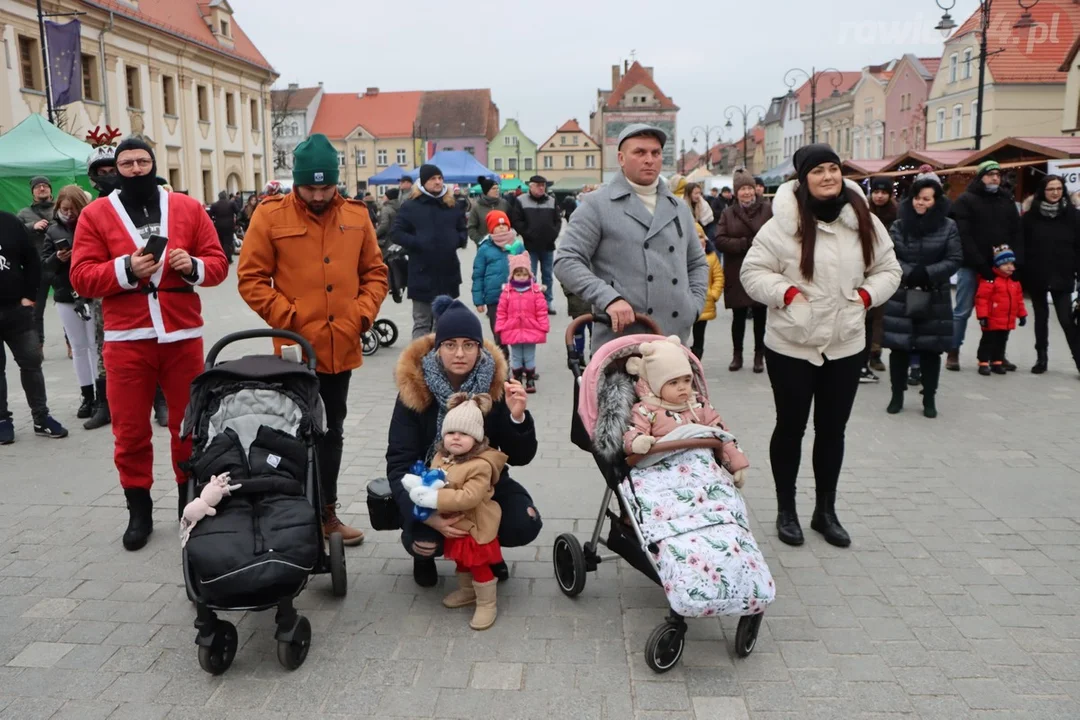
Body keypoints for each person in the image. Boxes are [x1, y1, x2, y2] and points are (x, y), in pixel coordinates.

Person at [70, 136, 229, 550]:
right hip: (126, 339)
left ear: (154, 164)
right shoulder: (95, 214)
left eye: (143, 161)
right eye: (128, 162)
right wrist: (126, 268)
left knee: (188, 425)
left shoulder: (189, 208)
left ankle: (187, 502)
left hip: (182, 336)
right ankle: (138, 510)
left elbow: (218, 264)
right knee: (130, 429)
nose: (136, 168)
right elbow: (81, 276)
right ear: (115, 169)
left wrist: (191, 265)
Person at [740, 143, 901, 548]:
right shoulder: (782, 224)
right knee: (791, 428)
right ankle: (786, 509)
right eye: (818, 171)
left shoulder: (862, 219)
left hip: (845, 343)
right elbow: (753, 271)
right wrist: (787, 294)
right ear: (802, 178)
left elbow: (888, 268)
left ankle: (825, 511)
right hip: (792, 344)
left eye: (833, 168)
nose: (828, 176)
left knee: (832, 430)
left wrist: (865, 297)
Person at [238, 133, 389, 547]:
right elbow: (251, 279)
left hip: (341, 347)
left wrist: (361, 314)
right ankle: (286, 513)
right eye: (311, 187)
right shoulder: (270, 216)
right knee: (288, 431)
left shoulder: (357, 215)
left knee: (331, 430)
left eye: (327, 187)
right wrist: (289, 319)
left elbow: (375, 273)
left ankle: (326, 514)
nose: (320, 195)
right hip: (292, 351)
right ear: (296, 183)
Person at [386, 297, 542, 588]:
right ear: (438, 348)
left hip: (480, 482)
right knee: (424, 541)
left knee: (524, 523)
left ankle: (487, 552)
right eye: (450, 344)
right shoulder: (414, 390)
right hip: (429, 482)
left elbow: (519, 456)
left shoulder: (493, 386)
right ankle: (424, 556)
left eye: (469, 345)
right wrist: (427, 515)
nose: (460, 353)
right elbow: (398, 463)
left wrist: (517, 417)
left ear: (479, 348)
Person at [555, 124, 708, 348]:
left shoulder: (678, 208)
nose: (650, 159)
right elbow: (566, 261)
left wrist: (693, 306)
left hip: (674, 336)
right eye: (640, 152)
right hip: (622, 339)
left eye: (656, 153)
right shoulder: (597, 205)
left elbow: (697, 263)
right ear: (621, 158)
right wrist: (608, 298)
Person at [402, 392, 506, 630]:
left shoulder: (480, 465)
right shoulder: (441, 456)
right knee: (461, 562)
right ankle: (467, 591)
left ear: (477, 439)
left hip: (476, 526)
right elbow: (432, 478)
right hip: (456, 526)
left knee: (478, 564)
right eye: (450, 433)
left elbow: (469, 497)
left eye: (464, 434)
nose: (456, 438)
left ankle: (487, 602)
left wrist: (435, 498)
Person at [881, 172, 962, 418]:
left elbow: (955, 259)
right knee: (899, 348)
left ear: (936, 201)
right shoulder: (899, 224)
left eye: (927, 199)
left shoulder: (948, 226)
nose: (921, 203)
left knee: (930, 349)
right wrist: (909, 272)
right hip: (902, 294)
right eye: (917, 197)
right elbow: (889, 256)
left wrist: (927, 273)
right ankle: (896, 395)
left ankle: (929, 398)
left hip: (934, 294)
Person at [622, 335, 748, 484]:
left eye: (687, 380)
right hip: (661, 469)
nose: (682, 387)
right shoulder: (645, 410)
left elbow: (722, 434)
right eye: (673, 382)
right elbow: (633, 431)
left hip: (702, 467)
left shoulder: (700, 404)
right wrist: (638, 441)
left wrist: (737, 464)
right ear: (655, 385)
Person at [0, 210, 68, 444]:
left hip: (15, 311)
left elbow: (31, 260)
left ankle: (41, 417)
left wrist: (30, 296)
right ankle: (2, 421)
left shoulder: (9, 222)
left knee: (31, 363)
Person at [947, 160, 1022, 372]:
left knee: (1001, 312)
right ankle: (953, 351)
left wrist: (1014, 262)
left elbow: (1016, 231)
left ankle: (997, 354)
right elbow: (964, 235)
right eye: (990, 175)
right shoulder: (966, 200)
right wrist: (980, 263)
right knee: (962, 310)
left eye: (998, 174)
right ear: (980, 177)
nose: (995, 178)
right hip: (972, 265)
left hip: (1001, 267)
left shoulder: (1006, 200)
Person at [43, 185, 101, 420]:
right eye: (65, 209)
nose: (69, 213)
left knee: (95, 345)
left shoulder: (91, 225)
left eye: (73, 209)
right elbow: (44, 266)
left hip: (91, 293)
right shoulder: (52, 231)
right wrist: (57, 258)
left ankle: (101, 395)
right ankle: (87, 395)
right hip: (66, 295)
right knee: (78, 347)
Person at [393, 164, 468, 339]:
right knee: (422, 322)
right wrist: (418, 242)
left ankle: (441, 363)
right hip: (421, 272)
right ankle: (418, 363)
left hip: (447, 271)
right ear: (423, 182)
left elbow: (462, 229)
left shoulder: (452, 205)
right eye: (433, 179)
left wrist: (456, 240)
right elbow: (396, 233)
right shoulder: (410, 206)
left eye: (440, 178)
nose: (438, 182)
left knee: (445, 322)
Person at [1020, 175, 1080, 375]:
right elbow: (1024, 247)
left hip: (1063, 274)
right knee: (1041, 318)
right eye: (1050, 189)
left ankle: (1078, 360)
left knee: (1066, 319)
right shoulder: (1030, 217)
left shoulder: (1073, 216)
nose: (1055, 192)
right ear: (1042, 192)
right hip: (1037, 274)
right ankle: (1041, 358)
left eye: (1058, 188)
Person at [715, 168, 773, 372]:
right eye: (742, 189)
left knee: (760, 315)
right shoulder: (728, 213)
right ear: (736, 192)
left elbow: (776, 233)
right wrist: (743, 243)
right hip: (737, 269)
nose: (747, 192)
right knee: (738, 317)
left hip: (761, 268)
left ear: (755, 190)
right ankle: (737, 354)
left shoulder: (767, 209)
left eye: (749, 188)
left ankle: (759, 356)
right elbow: (720, 239)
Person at [82, 138, 122, 431]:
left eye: (112, 169)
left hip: (142, 290)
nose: (107, 175)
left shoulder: (137, 206)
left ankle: (158, 399)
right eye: (102, 171)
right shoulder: (92, 212)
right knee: (102, 346)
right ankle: (103, 404)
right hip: (104, 292)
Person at [495, 250, 550, 393]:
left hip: (531, 328)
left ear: (530, 275)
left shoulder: (535, 292)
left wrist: (543, 326)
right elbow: (501, 312)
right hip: (512, 329)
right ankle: (517, 379)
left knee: (529, 355)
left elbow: (541, 311)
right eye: (518, 274)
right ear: (512, 275)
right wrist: (500, 326)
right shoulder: (507, 292)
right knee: (516, 356)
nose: (521, 277)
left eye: (524, 274)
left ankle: (530, 379)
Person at [864, 177, 898, 380]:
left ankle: (875, 354)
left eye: (883, 192)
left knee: (880, 316)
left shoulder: (896, 213)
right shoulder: (862, 211)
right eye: (876, 192)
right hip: (863, 267)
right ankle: (861, 353)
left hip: (884, 268)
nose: (879, 196)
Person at [513, 175, 561, 314]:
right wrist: (528, 233)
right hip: (530, 246)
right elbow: (516, 220)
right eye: (538, 185)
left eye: (543, 185)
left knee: (547, 275)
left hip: (548, 245)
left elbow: (558, 220)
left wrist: (553, 234)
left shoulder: (551, 200)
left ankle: (547, 302)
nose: (541, 188)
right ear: (531, 186)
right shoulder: (521, 200)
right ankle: (531, 302)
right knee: (530, 274)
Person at [975, 245, 1026, 376]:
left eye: (1011, 264)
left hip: (1007, 319)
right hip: (992, 318)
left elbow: (1019, 300)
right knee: (988, 340)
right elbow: (982, 299)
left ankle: (997, 361)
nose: (1010, 267)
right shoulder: (990, 281)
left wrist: (1022, 315)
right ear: (997, 265)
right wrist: (982, 316)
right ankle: (983, 362)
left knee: (1001, 341)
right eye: (1005, 264)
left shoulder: (1014, 282)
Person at [471, 210, 517, 357]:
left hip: (517, 296)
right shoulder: (485, 249)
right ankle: (504, 362)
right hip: (494, 298)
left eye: (505, 225)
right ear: (491, 228)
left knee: (517, 332)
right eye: (498, 225)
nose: (502, 228)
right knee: (499, 332)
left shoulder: (517, 245)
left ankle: (521, 364)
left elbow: (527, 269)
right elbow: (478, 275)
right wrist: (478, 300)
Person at [17, 177, 56, 349]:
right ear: (32, 192)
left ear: (50, 190)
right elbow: (15, 234)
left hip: (60, 265)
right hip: (37, 267)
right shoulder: (24, 213)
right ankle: (38, 346)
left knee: (70, 307)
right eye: (38, 187)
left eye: (45, 186)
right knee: (35, 311)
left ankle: (72, 344)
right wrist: (33, 226)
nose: (42, 188)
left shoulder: (60, 208)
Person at [691, 222, 724, 360]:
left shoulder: (711, 257)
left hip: (704, 303)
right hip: (685, 303)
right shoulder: (683, 258)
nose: (699, 241)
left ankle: (697, 360)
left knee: (699, 336)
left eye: (701, 237)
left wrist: (713, 294)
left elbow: (718, 277)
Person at [467, 176, 510, 245]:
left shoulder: (504, 204)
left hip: (504, 246)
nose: (497, 190)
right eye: (493, 188)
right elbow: (471, 228)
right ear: (486, 190)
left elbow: (512, 222)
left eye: (497, 188)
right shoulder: (477, 207)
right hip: (485, 247)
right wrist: (481, 240)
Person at [209, 191, 236, 265]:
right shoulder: (231, 204)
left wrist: (214, 220)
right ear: (226, 196)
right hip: (229, 226)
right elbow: (237, 211)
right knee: (228, 242)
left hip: (219, 226)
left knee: (221, 242)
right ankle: (228, 258)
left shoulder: (215, 205)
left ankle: (223, 257)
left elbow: (209, 215)